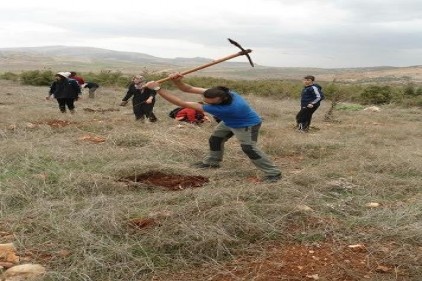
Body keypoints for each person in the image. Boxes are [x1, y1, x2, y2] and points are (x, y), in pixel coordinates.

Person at [145, 73, 282, 183]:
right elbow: (188, 89)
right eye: (204, 99)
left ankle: (274, 173)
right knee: (215, 139)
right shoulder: (223, 93)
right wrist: (177, 81)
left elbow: (180, 102)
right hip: (230, 121)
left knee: (249, 148)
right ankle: (212, 162)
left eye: (207, 102)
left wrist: (158, 89)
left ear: (218, 102)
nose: (204, 101)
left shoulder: (228, 108)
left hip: (246, 125)